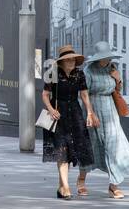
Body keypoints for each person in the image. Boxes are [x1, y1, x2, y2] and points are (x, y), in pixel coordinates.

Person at [84, 42, 129, 198]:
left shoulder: (112, 68)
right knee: (92, 145)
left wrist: (118, 80)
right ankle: (81, 179)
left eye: (108, 56)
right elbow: (83, 94)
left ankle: (114, 185)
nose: (107, 59)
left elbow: (118, 90)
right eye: (104, 57)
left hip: (110, 111)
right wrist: (90, 113)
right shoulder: (88, 71)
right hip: (94, 109)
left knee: (114, 146)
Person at [41, 45, 96, 199]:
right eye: (68, 60)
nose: (71, 62)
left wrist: (89, 113)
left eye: (73, 59)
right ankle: (66, 186)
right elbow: (45, 95)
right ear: (62, 62)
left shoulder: (79, 74)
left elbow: (84, 96)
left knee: (70, 151)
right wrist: (51, 110)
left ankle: (61, 187)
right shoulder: (52, 73)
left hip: (75, 113)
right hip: (58, 115)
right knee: (62, 150)